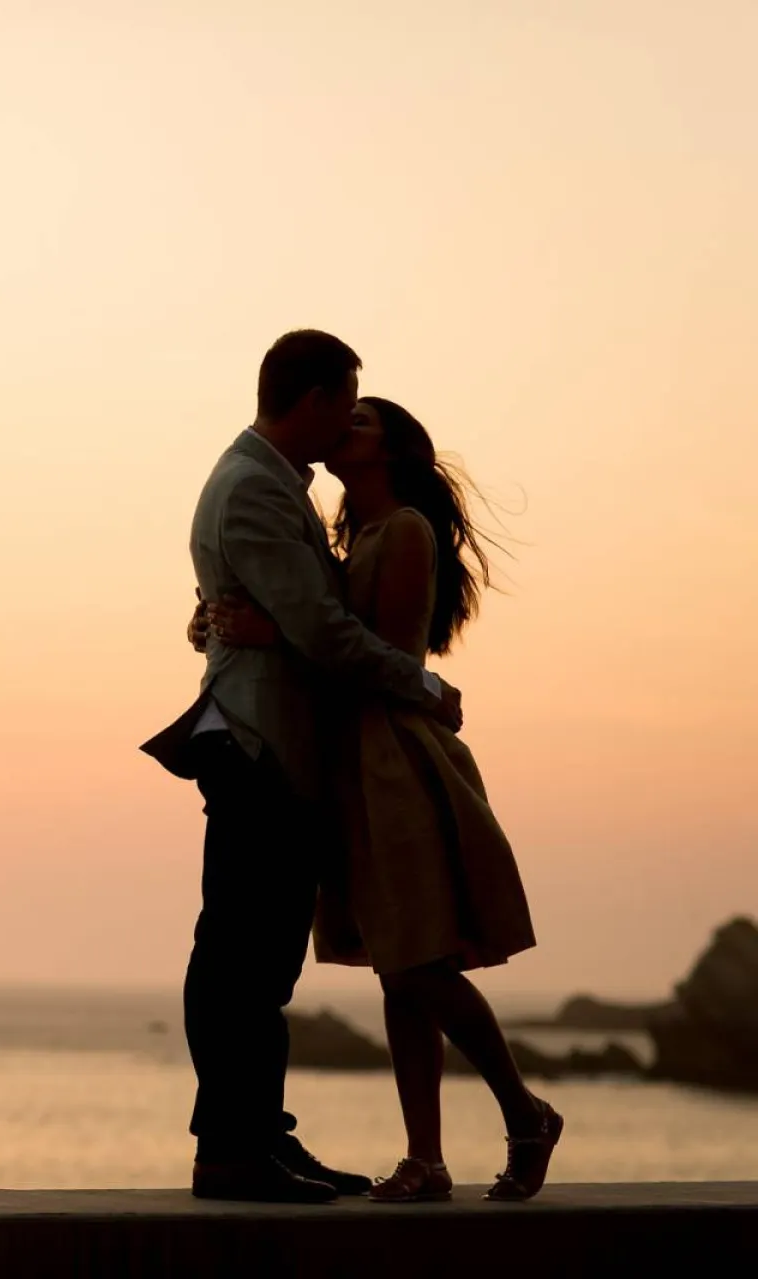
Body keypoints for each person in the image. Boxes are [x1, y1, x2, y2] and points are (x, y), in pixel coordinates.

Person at [195, 395, 561, 1203]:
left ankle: (526, 1111)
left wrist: (274, 633)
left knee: (414, 957)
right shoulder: (347, 535)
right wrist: (226, 619)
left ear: (392, 452)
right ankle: (425, 1158)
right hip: (348, 764)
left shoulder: (404, 532)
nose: (343, 431)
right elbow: (310, 616)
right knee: (399, 968)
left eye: (360, 424)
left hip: (393, 760)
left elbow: (375, 655)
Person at [142, 330, 464, 1203]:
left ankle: (259, 1138)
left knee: (257, 960)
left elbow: (291, 608)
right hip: (261, 745)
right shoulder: (254, 488)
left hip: (273, 743)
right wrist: (423, 686)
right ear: (315, 400)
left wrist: (231, 620)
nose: (350, 420)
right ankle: (235, 1150)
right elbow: (322, 629)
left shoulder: (275, 486)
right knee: (242, 959)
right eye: (347, 402)